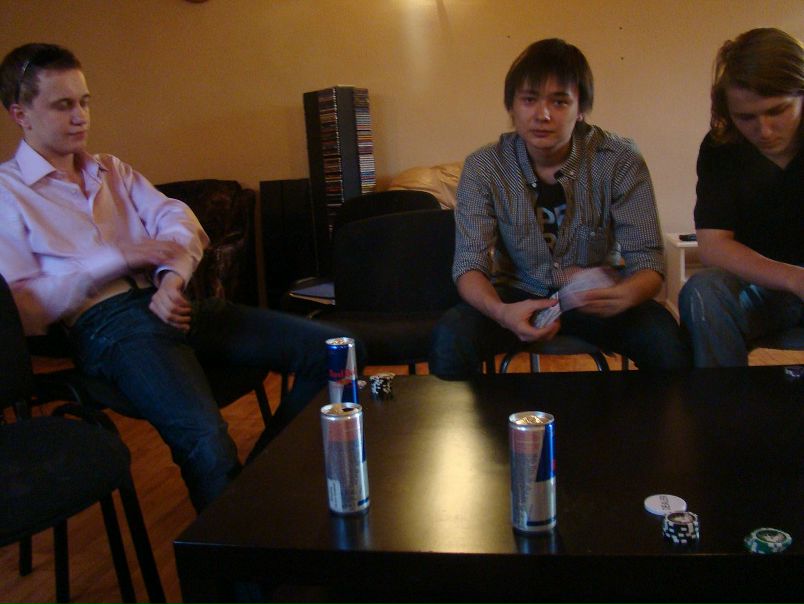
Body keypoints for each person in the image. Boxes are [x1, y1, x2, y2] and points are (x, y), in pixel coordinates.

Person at [0, 43, 357, 512]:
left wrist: (172, 280)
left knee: (336, 354)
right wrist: (116, 257)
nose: (81, 116)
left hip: (172, 301)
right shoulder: (7, 192)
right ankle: (239, 550)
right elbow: (24, 308)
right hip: (106, 327)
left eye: (85, 101)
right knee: (206, 442)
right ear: (20, 114)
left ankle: (252, 491)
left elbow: (181, 222)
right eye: (63, 105)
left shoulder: (113, 170)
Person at [429, 38, 689, 377]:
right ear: (512, 107)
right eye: (529, 100)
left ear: (580, 109)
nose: (543, 115)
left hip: (595, 297)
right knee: (451, 336)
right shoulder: (484, 166)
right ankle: (488, 415)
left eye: (560, 101)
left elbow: (648, 259)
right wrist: (501, 312)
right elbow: (469, 263)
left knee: (665, 341)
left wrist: (625, 294)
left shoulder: (619, 160)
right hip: (517, 292)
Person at [679, 28, 803, 367]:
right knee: (704, 293)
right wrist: (794, 278)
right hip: (762, 289)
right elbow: (713, 246)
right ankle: (725, 401)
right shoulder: (722, 147)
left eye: (778, 111)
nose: (764, 130)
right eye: (746, 117)